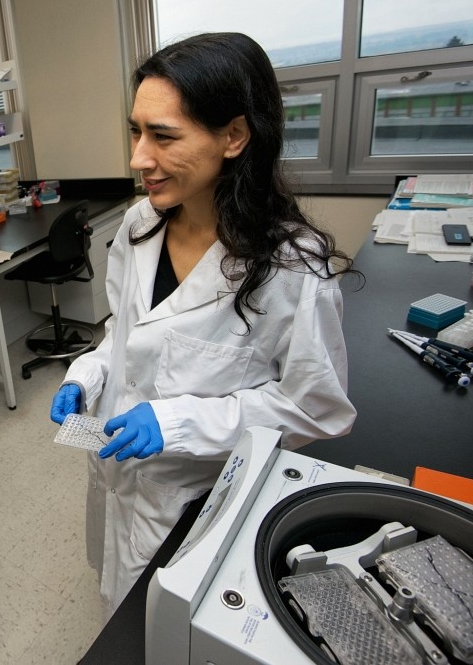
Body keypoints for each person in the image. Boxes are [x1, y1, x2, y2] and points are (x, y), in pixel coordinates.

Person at [49, 32, 358, 615]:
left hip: (193, 494)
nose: (139, 157)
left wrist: (181, 421)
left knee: (175, 623)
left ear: (234, 137)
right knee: (122, 607)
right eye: (136, 132)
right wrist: (86, 376)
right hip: (120, 473)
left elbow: (320, 407)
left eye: (163, 136)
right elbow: (126, 331)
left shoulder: (292, 268)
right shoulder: (140, 223)